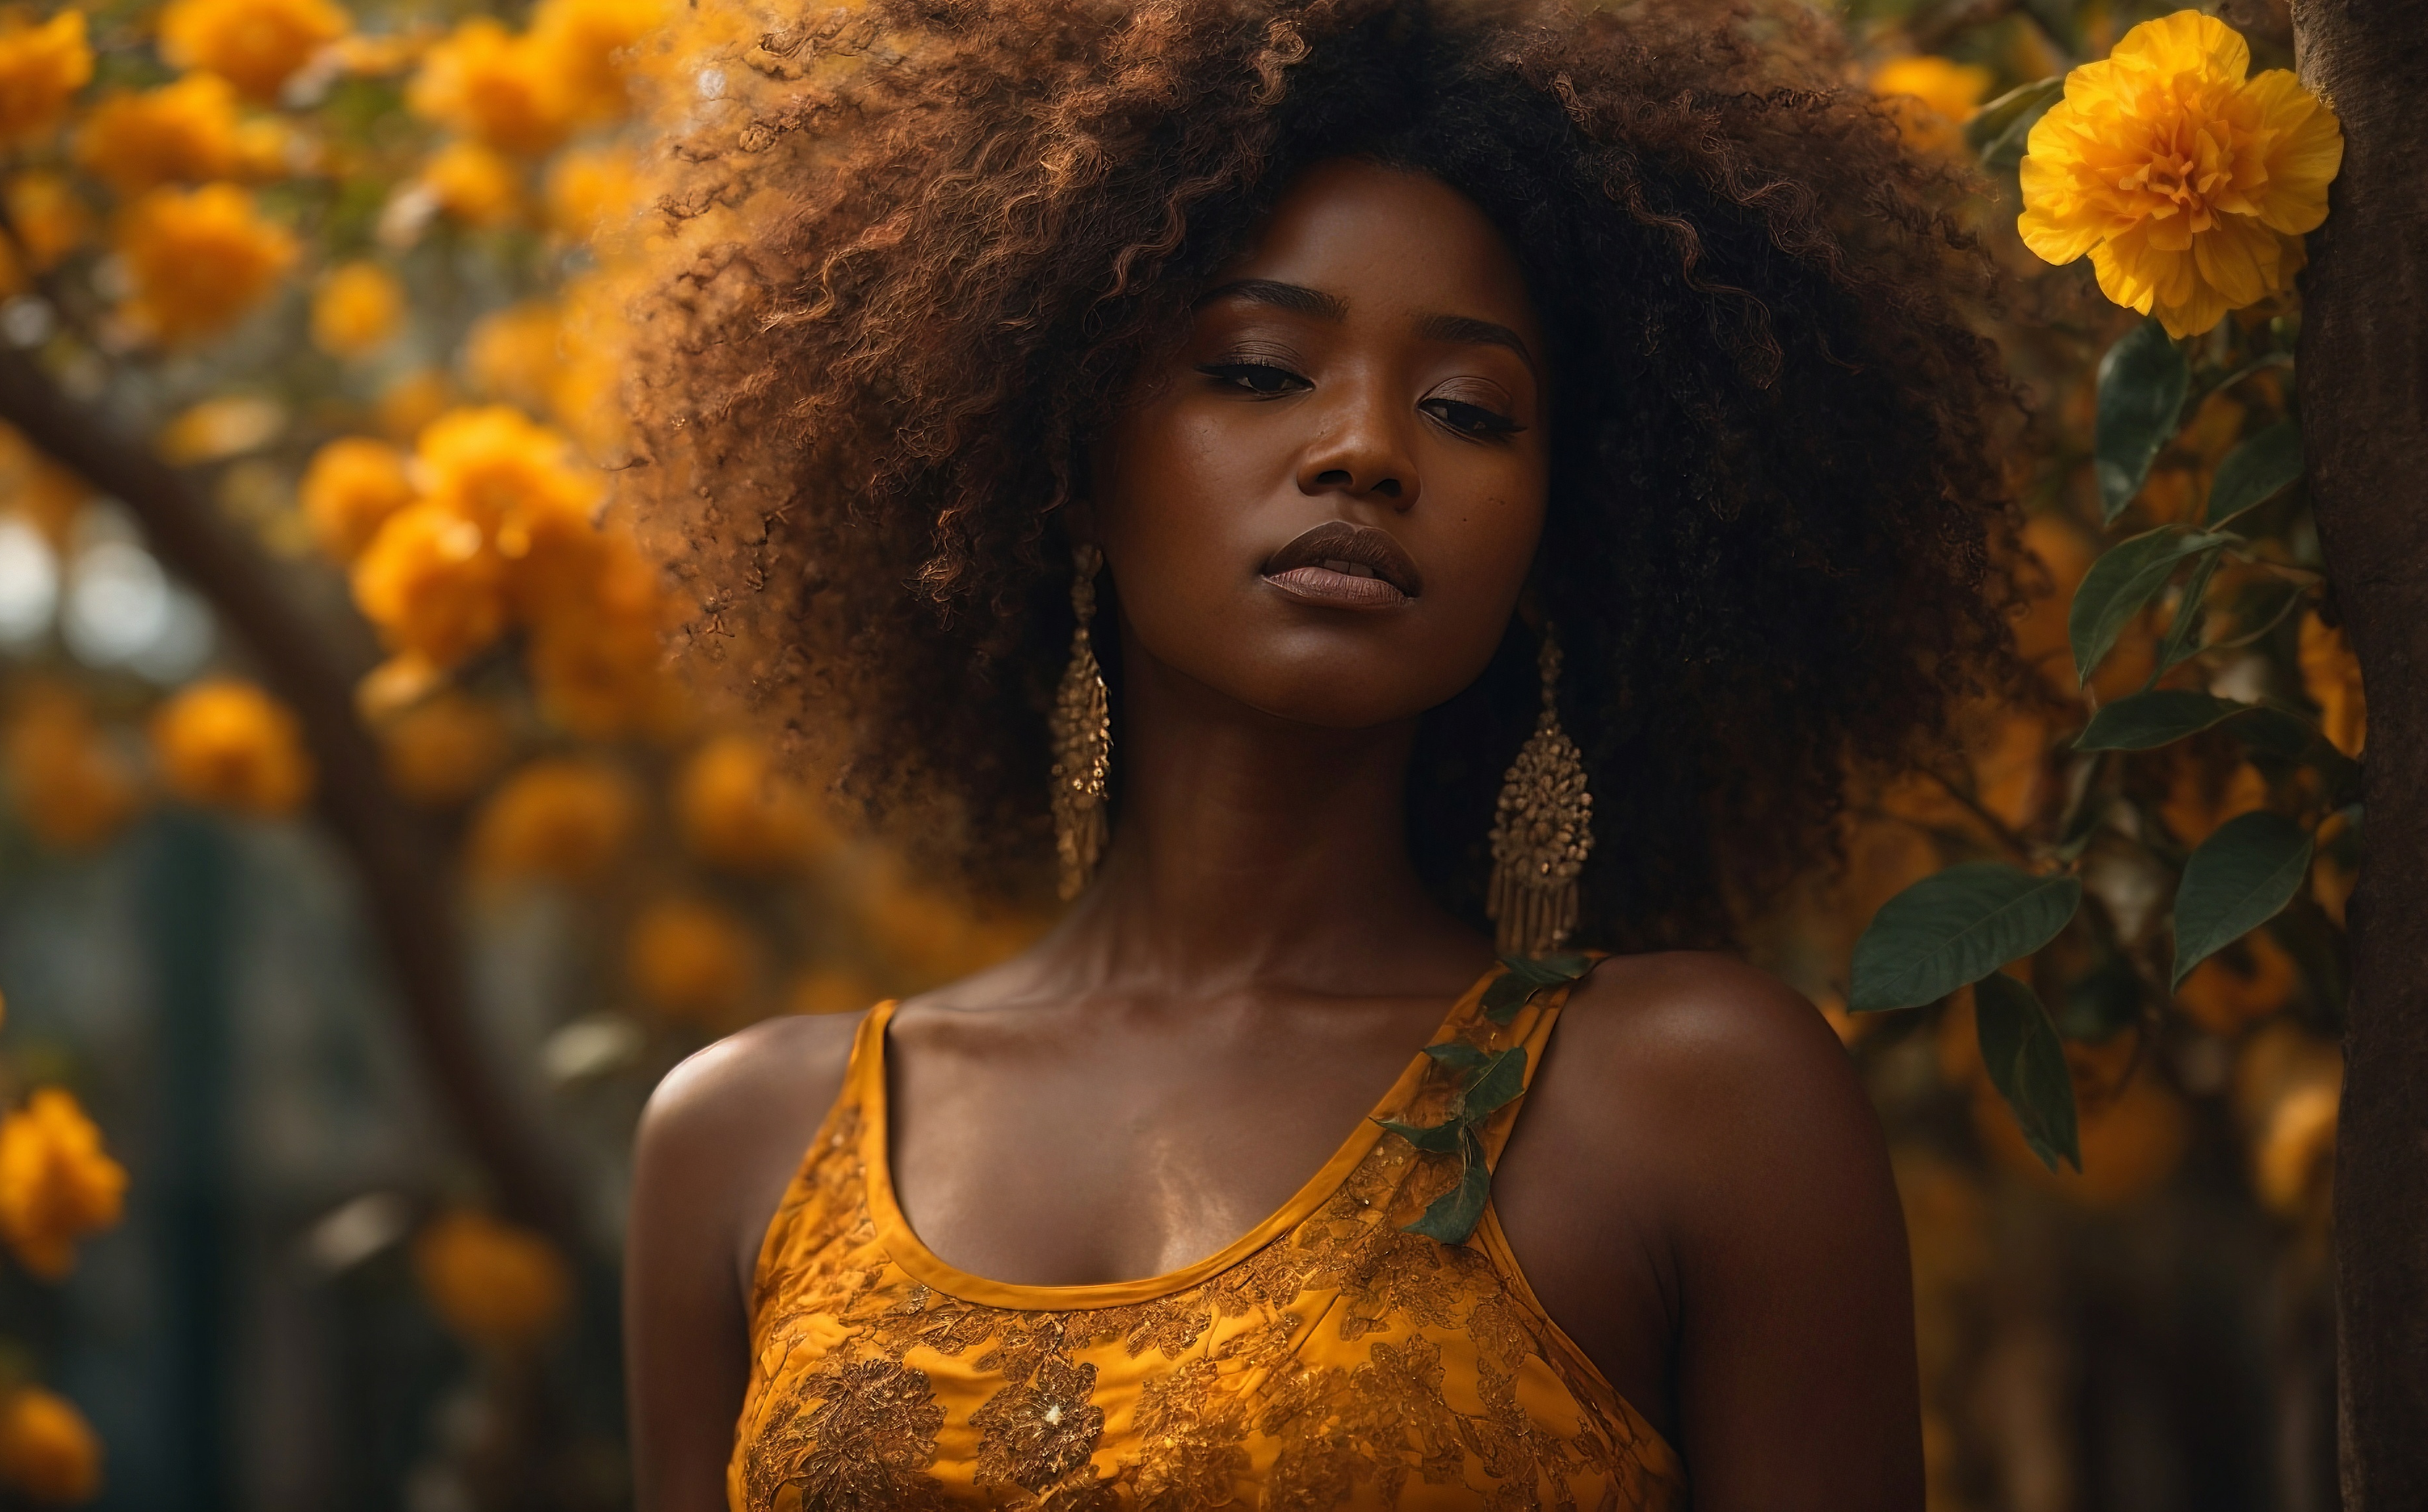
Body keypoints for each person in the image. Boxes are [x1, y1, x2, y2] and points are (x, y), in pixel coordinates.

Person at [623, 1, 2017, 1506]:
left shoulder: (1697, 1101)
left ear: (1564, 536)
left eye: (1470, 409)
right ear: (1067, 456)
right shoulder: (745, 1136)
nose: (1367, 447)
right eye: (1259, 371)